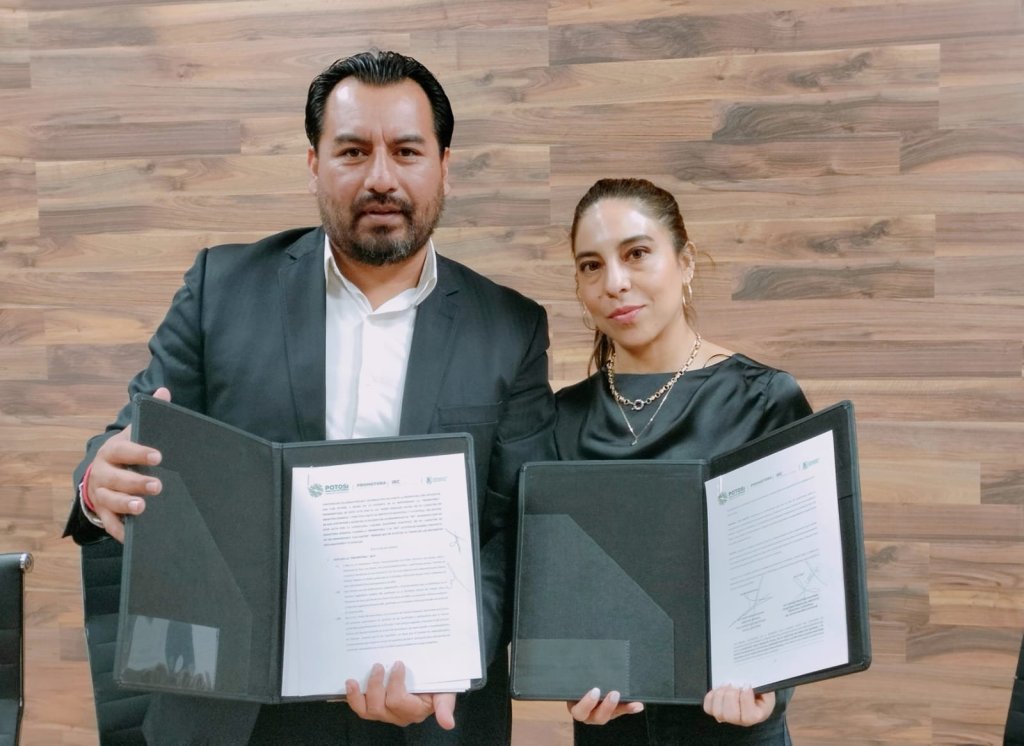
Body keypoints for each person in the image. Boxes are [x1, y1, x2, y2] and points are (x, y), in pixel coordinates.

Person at [63, 49, 555, 746]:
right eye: (352, 151)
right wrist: (98, 482)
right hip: (238, 706)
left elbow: (515, 532)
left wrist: (449, 660)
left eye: (406, 151)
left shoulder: (510, 327)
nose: (380, 177)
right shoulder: (219, 290)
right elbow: (132, 442)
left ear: (444, 166)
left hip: (422, 710)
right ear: (314, 164)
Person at [556, 178, 812, 745]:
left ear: (686, 261)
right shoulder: (562, 418)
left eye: (636, 253)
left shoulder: (763, 399)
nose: (614, 282)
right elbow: (561, 585)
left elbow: (799, 573)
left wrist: (773, 688)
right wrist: (568, 678)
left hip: (734, 724)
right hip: (610, 729)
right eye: (591, 265)